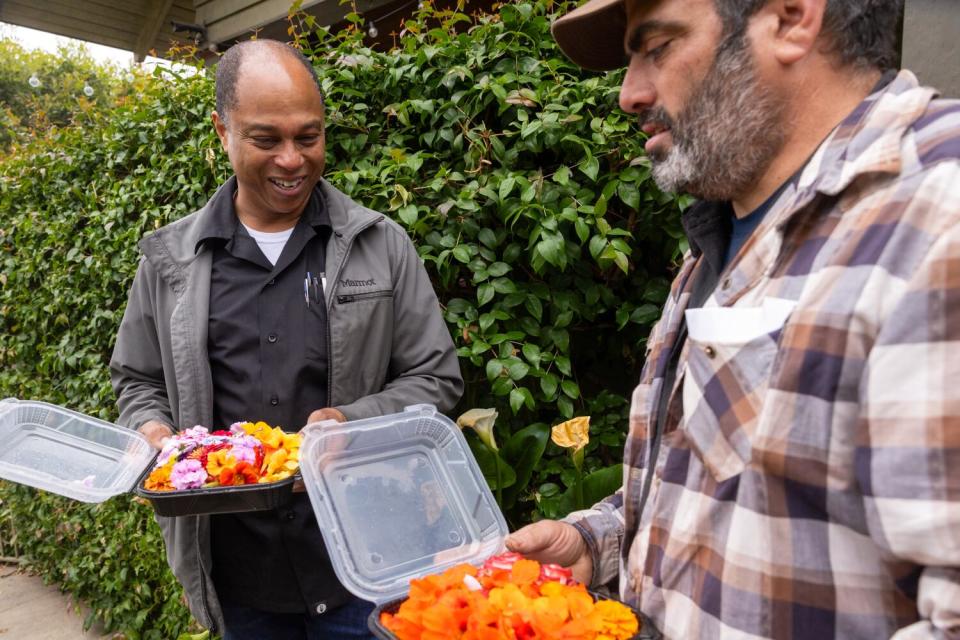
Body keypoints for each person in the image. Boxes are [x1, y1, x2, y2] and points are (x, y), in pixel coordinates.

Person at [507, 0, 960, 638]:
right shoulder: (725, 233)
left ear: (790, 17)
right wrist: (595, 542)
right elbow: (728, 484)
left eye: (657, 47)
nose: (629, 93)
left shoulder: (937, 212)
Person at [110, 40, 463, 639]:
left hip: (368, 568)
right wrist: (152, 431)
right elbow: (138, 378)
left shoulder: (381, 245)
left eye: (309, 136)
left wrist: (347, 423)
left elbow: (435, 377)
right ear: (223, 130)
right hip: (241, 577)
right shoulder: (171, 261)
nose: (293, 160)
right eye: (266, 139)